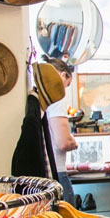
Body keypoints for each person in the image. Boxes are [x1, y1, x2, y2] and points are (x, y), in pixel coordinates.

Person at [44, 57, 78, 204]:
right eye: (68, 84)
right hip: (58, 171)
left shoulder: (42, 97)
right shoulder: (57, 99)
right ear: (63, 75)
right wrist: (74, 143)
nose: (65, 89)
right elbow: (64, 142)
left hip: (48, 172)